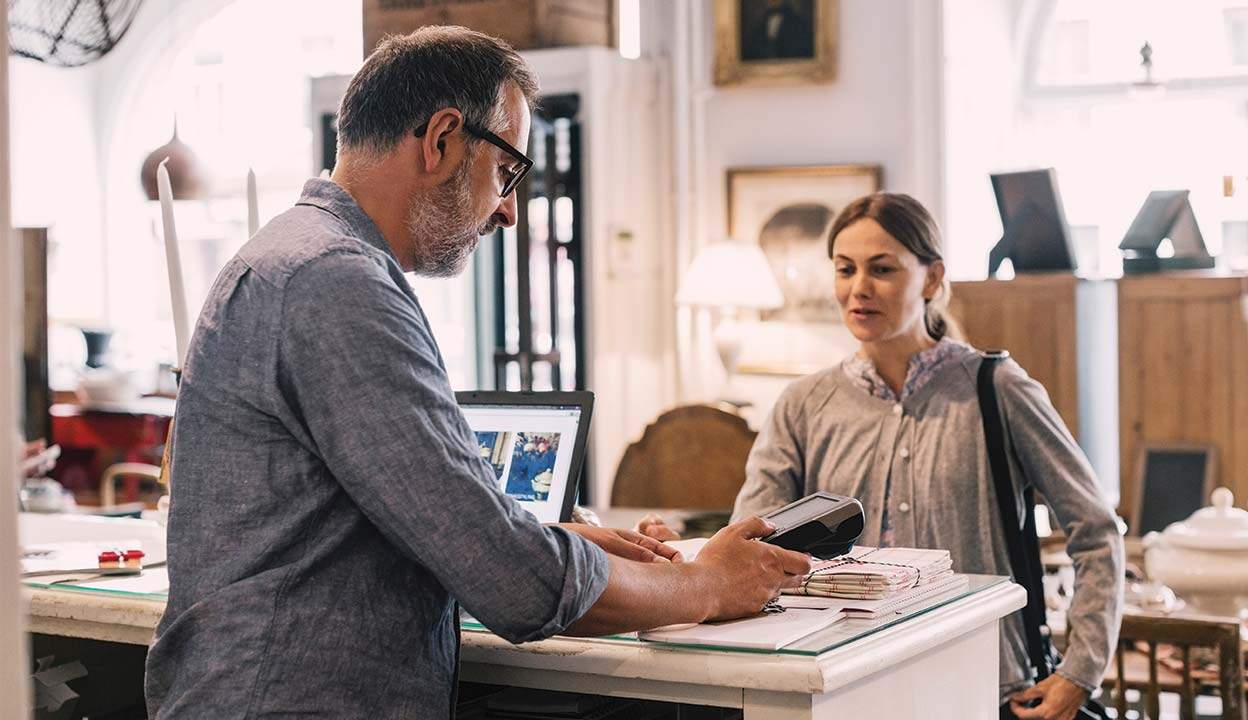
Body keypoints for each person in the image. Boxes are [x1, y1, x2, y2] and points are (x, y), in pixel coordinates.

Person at [144, 26, 811, 720]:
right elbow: (510, 581)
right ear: (440, 140)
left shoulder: (293, 258)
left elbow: (382, 528)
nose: (510, 211)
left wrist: (551, 539)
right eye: (507, 173)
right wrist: (706, 584)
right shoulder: (336, 283)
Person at [643, 193, 1123, 719]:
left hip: (984, 681)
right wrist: (689, 553)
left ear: (932, 279)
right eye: (845, 269)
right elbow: (750, 544)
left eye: (882, 269)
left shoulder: (999, 389)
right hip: (844, 683)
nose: (858, 288)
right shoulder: (803, 405)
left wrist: (1081, 671)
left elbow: (1096, 530)